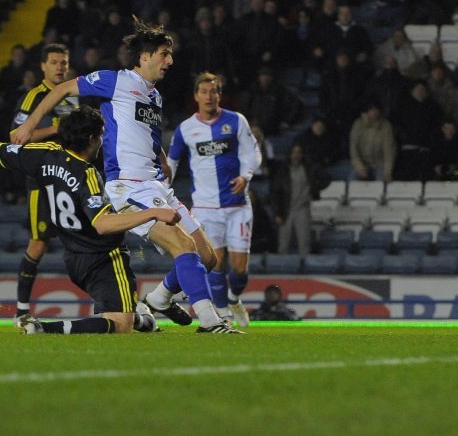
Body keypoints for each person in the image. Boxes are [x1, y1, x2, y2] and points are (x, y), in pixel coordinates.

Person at [13, 18, 242, 334]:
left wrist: (161, 157)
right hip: (128, 185)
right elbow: (65, 88)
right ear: (145, 56)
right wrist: (29, 125)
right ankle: (210, 321)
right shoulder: (116, 81)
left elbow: (147, 132)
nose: (170, 61)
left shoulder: (155, 96)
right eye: (164, 54)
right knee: (184, 249)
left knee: (208, 256)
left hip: (155, 183)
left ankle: (160, 298)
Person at [5, 106, 176, 334]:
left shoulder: (43, 154)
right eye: (101, 135)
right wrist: (154, 213)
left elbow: (5, 152)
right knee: (120, 326)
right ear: (92, 138)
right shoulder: (87, 175)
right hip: (104, 260)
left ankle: (141, 319)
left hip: (73, 258)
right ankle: (43, 329)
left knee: (123, 314)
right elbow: (102, 224)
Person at [167, 73, 262, 327]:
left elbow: (253, 153)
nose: (209, 96)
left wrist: (245, 176)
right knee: (216, 263)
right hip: (207, 208)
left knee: (240, 270)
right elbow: (171, 163)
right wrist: (161, 188)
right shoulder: (186, 128)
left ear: (219, 95)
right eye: (204, 91)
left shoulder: (235, 121)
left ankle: (233, 298)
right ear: (196, 96)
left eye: (213, 91)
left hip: (237, 205)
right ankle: (223, 315)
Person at [9, 43, 78, 327]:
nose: (60, 66)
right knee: (38, 243)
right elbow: (16, 134)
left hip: (71, 178)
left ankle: (109, 302)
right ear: (43, 66)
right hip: (41, 181)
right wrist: (55, 129)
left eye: (63, 62)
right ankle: (22, 310)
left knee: (88, 239)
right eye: (54, 62)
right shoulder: (34, 96)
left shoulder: (72, 94)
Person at [271, 144, 331, 256]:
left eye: (299, 152)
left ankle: (304, 267)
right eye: (294, 152)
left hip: (302, 208)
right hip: (286, 209)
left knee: (304, 241)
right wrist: (277, 213)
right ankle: (281, 267)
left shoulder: (309, 168)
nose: (296, 155)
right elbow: (275, 193)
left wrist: (314, 188)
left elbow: (326, 178)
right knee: (283, 242)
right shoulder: (283, 170)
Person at [349, 101, 396, 182]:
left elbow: (389, 151)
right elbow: (353, 148)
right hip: (362, 163)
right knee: (353, 178)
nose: (374, 113)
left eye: (376, 110)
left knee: (382, 182)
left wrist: (387, 171)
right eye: (371, 110)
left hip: (380, 163)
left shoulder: (386, 126)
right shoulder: (358, 124)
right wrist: (359, 166)